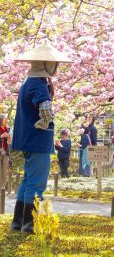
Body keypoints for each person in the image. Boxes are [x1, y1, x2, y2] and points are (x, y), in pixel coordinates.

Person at [10, 43, 72, 233]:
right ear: (45, 64)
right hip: (37, 141)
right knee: (37, 184)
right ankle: (30, 225)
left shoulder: (28, 82)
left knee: (27, 181)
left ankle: (18, 222)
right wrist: (46, 122)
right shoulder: (38, 85)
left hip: (27, 140)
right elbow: (45, 107)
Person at [0, 114, 12, 189]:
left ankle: (2, 189)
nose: (7, 120)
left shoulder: (8, 129)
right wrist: (1, 136)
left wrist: (9, 139)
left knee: (4, 172)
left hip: (5, 152)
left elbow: (9, 143)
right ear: (1, 120)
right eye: (5, 119)